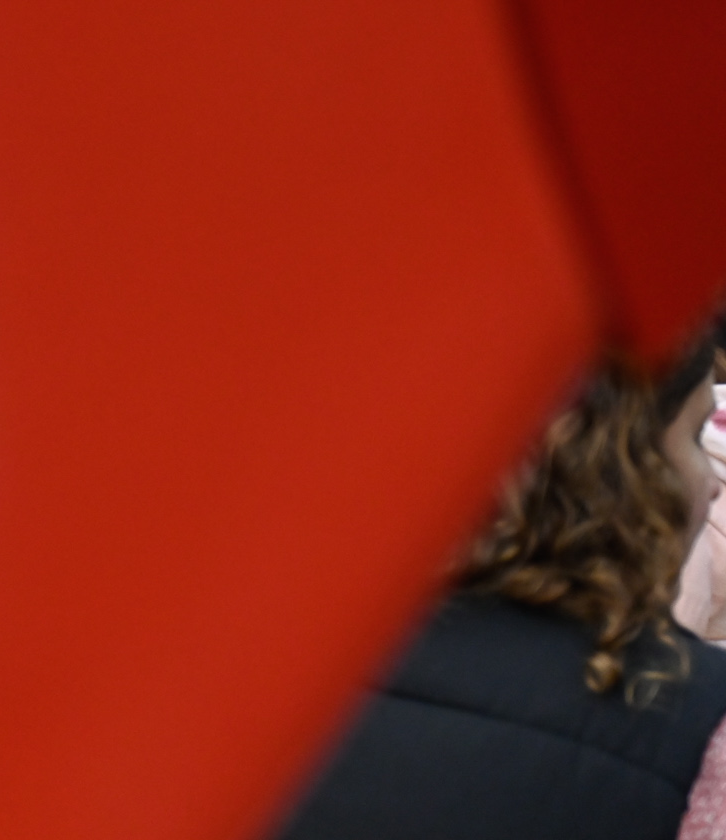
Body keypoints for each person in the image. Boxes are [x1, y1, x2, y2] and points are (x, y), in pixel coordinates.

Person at [277, 329, 726, 839]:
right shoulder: (700, 719)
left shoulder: (285, 662)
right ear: (627, 469)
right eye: (693, 437)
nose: (711, 482)